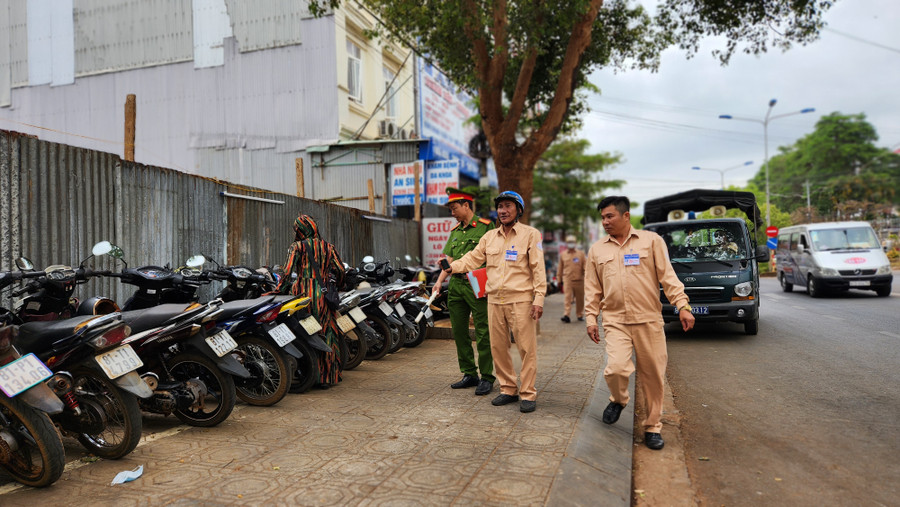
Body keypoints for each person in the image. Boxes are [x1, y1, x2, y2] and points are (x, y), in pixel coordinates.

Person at [584, 196, 695, 450]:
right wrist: (591, 318)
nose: (605, 222)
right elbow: (592, 289)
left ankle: (653, 427)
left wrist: (683, 306)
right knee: (616, 368)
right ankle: (619, 399)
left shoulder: (651, 242)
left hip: (648, 320)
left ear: (626, 216)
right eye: (602, 218)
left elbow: (668, 277)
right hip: (615, 320)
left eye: (609, 216)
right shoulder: (597, 249)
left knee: (653, 376)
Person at [445, 190, 546, 413]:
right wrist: (453, 267)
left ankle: (528, 393)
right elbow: (473, 258)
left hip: (520, 299)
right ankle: (508, 389)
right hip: (494, 300)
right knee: (498, 347)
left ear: (518, 210)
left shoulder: (530, 235)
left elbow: (538, 269)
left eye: (508, 206)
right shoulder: (489, 237)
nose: (503, 211)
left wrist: (538, 299)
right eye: (500, 207)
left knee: (526, 348)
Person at [431, 188, 496, 396]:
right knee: (459, 331)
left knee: (483, 331)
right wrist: (439, 282)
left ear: (466, 205)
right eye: (450, 209)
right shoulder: (455, 231)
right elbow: (449, 260)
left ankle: (487, 376)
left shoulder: (486, 227)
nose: (453, 213)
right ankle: (469, 373)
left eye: (454, 208)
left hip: (477, 283)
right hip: (456, 285)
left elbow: (492, 257)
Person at [275, 214, 346, 388]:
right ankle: (328, 376)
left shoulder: (297, 247)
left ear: (300, 230)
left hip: (303, 295)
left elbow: (287, 272)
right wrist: (337, 285)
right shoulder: (328, 247)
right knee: (327, 333)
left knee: (306, 332)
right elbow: (340, 270)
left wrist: (279, 290)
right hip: (323, 294)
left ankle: (310, 375)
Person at [557, 234, 586, 323]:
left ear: (575, 243)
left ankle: (580, 314)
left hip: (579, 280)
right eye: (569, 242)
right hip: (567, 279)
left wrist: (588, 277)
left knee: (580, 299)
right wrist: (559, 280)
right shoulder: (563, 255)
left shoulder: (580, 254)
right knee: (567, 298)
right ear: (567, 243)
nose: (571, 244)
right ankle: (566, 315)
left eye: (572, 242)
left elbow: (585, 266)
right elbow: (560, 268)